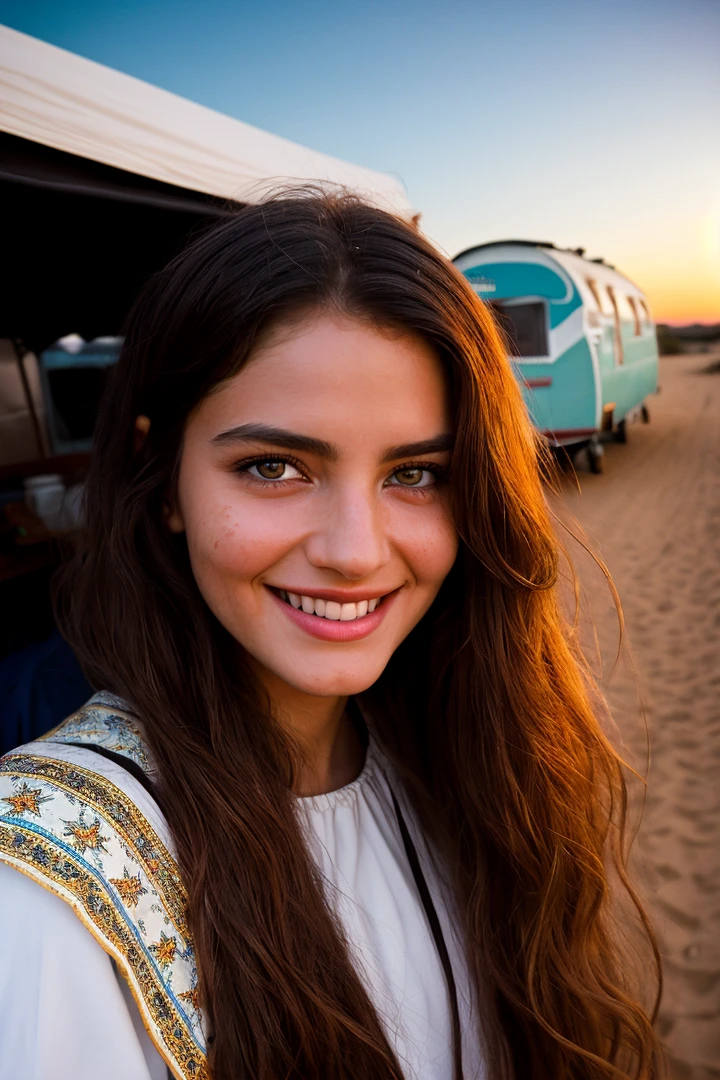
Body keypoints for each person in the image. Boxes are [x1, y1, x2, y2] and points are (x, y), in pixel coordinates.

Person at [0, 192, 661, 1080]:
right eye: (273, 467)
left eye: (418, 473)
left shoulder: (470, 763)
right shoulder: (39, 900)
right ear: (165, 484)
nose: (355, 552)